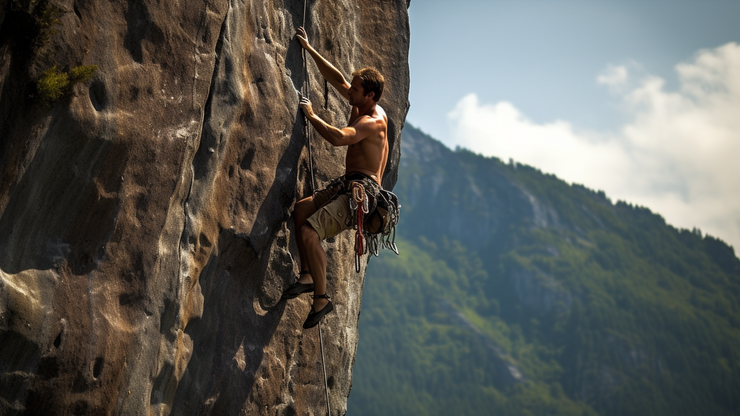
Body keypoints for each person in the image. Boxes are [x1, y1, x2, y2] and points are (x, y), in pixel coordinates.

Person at [282, 26, 389, 329]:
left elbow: (341, 138)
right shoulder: (361, 102)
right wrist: (309, 48)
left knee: (309, 233)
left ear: (370, 95)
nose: (349, 93)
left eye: (355, 91)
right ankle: (306, 275)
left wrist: (312, 115)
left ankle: (321, 298)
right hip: (349, 183)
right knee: (302, 210)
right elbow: (338, 79)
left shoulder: (372, 121)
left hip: (361, 193)